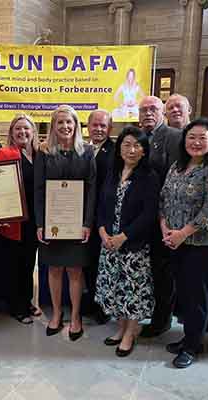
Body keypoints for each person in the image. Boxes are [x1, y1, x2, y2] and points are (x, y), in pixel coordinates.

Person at [160, 117, 208, 368]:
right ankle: (189, 337)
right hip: (175, 241)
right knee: (185, 294)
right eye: (191, 137)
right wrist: (165, 228)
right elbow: (164, 199)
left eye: (202, 137)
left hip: (203, 244)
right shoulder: (177, 166)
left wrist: (182, 233)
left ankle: (192, 346)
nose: (196, 142)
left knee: (199, 296)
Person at [95, 126, 160, 357]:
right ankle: (120, 327)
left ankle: (131, 332)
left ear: (144, 150)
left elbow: (149, 214)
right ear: (119, 148)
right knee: (115, 288)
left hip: (133, 245)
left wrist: (124, 236)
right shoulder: (113, 172)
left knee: (133, 290)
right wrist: (102, 231)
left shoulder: (150, 177)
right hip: (109, 243)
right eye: (126, 144)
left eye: (137, 145)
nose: (131, 150)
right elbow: (102, 205)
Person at [34, 105, 97, 341]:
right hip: (52, 222)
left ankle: (76, 316)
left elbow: (92, 189)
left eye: (69, 122)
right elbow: (38, 189)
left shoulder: (87, 151)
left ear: (76, 125)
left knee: (75, 270)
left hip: (77, 223)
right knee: (54, 268)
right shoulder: (44, 152)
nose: (65, 126)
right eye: (60, 122)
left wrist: (87, 223)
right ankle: (57, 313)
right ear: (53, 126)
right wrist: (40, 223)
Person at [137, 95, 182, 338]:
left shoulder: (174, 137)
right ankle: (146, 309)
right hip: (141, 216)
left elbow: (176, 180)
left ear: (162, 112)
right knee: (146, 268)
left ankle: (162, 319)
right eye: (143, 110)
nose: (148, 113)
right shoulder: (138, 138)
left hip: (162, 218)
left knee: (163, 271)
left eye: (153, 109)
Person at [0, 114, 40, 323]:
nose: (22, 132)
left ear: (33, 132)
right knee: (14, 265)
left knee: (29, 263)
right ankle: (17, 306)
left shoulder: (40, 154)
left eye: (26, 129)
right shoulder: (5, 152)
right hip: (14, 221)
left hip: (34, 220)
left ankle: (27, 300)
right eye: (18, 129)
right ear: (11, 133)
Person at [84, 109, 115, 325]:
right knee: (87, 261)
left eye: (103, 126)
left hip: (104, 217)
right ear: (88, 127)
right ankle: (91, 299)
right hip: (83, 215)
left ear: (110, 129)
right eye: (95, 125)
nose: (98, 129)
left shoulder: (115, 151)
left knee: (102, 263)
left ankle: (103, 306)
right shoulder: (83, 149)